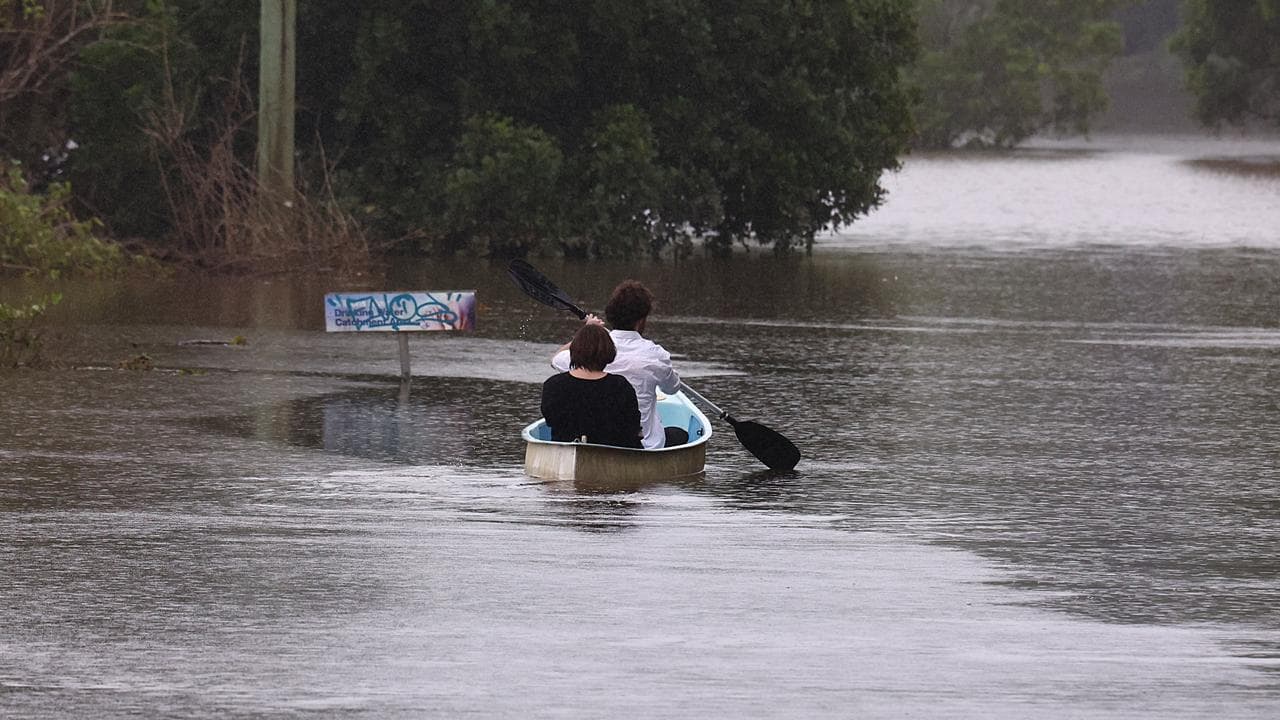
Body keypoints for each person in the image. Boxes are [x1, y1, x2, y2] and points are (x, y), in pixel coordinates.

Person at [551, 280, 687, 449]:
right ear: (640, 321)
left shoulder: (591, 350)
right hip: (639, 443)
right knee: (680, 434)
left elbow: (556, 359)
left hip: (593, 436)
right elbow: (672, 389)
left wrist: (587, 331)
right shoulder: (656, 355)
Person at [540, 323, 642, 448]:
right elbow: (632, 426)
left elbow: (550, 419)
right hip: (613, 453)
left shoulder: (553, 385)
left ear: (574, 351)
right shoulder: (621, 386)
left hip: (565, 448)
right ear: (609, 352)